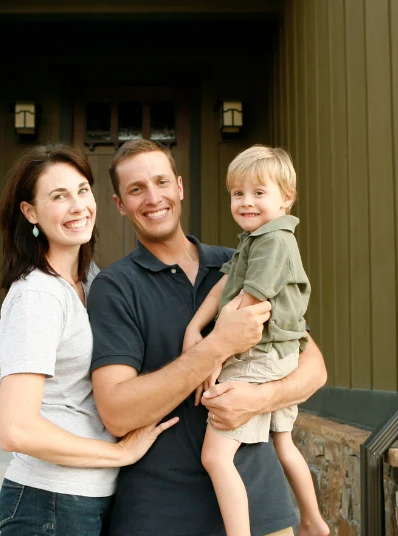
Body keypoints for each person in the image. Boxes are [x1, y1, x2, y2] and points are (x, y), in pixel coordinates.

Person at [87, 139, 328, 536]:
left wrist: (258, 398)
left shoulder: (238, 261)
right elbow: (116, 412)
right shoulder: (116, 287)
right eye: (136, 189)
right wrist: (215, 346)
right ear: (119, 204)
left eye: (161, 182)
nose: (153, 198)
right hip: (161, 514)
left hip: (261, 512)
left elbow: (313, 368)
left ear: (179, 188)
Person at [0, 143, 178, 536]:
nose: (78, 206)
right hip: (51, 502)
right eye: (59, 196)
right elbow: (16, 428)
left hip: (90, 497)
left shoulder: (90, 280)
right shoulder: (38, 295)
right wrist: (118, 453)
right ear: (30, 212)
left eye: (82, 190)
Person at [183, 145, 329, 536]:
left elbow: (250, 304)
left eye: (258, 193)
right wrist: (194, 328)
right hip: (281, 354)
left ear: (287, 198)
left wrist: (213, 353)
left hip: (260, 356)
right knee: (283, 444)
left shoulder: (275, 242)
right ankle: (315, 522)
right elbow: (225, 284)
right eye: (238, 193)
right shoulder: (256, 238)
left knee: (215, 457)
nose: (246, 202)